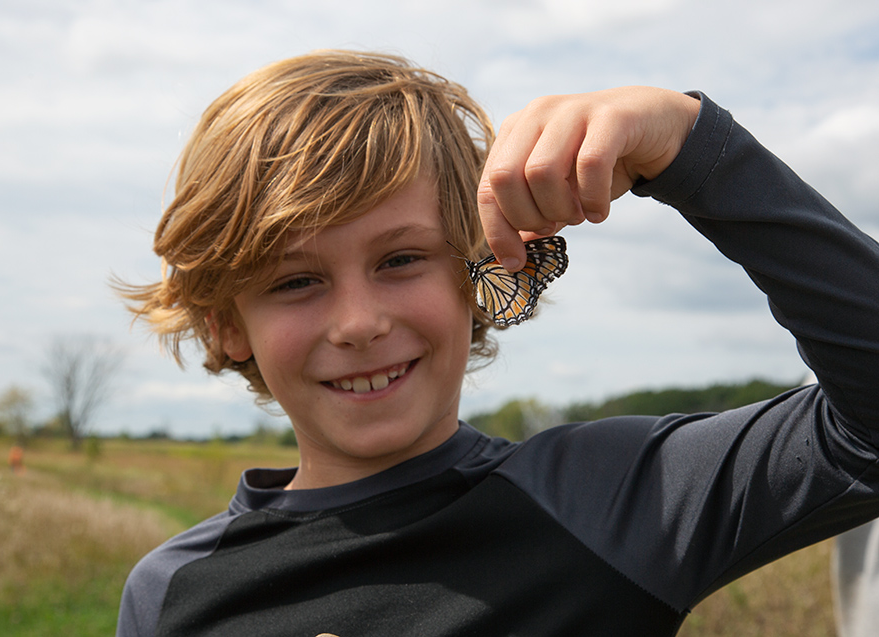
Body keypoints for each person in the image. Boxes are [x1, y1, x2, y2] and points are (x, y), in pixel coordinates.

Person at [115, 50, 879, 636]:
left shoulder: (611, 499)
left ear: (478, 268)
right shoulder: (173, 591)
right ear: (224, 321)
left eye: (401, 259)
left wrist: (694, 148)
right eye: (294, 281)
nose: (358, 322)